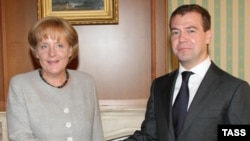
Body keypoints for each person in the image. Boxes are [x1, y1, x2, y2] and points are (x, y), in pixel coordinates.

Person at [124, 4, 250, 141]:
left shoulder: (234, 89)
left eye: (191, 31)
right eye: (175, 32)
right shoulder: (159, 86)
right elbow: (149, 136)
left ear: (208, 36)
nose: (182, 39)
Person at [6, 16, 105, 141]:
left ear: (70, 50)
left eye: (59, 45)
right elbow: (20, 137)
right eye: (44, 46)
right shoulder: (20, 85)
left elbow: (96, 134)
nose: (52, 53)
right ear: (36, 52)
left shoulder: (87, 82)